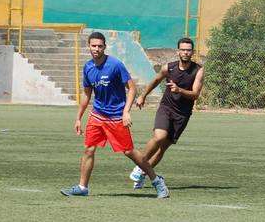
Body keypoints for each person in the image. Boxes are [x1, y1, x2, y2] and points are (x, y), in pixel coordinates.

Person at [61, 31, 169, 198]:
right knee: (88, 149)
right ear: (89, 46)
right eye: (93, 45)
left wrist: (126, 111)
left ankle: (156, 180)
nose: (96, 49)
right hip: (97, 115)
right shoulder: (88, 67)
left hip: (116, 116)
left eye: (99, 46)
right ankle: (82, 187)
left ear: (105, 47)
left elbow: (132, 88)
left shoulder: (115, 65)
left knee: (129, 152)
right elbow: (87, 94)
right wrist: (78, 117)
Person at [129, 37, 204, 189]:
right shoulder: (168, 68)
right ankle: (140, 165)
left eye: (188, 50)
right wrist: (143, 95)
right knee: (159, 137)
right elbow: (156, 80)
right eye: (182, 49)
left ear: (192, 52)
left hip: (182, 114)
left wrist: (179, 90)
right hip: (166, 108)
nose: (185, 52)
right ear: (178, 51)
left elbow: (195, 94)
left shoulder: (198, 70)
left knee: (163, 147)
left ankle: (143, 174)